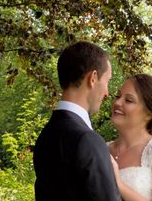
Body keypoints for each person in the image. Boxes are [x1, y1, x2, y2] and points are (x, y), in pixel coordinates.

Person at [33, 41, 121, 201]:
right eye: (107, 81)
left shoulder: (47, 135)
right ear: (93, 78)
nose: (107, 93)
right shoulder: (87, 139)